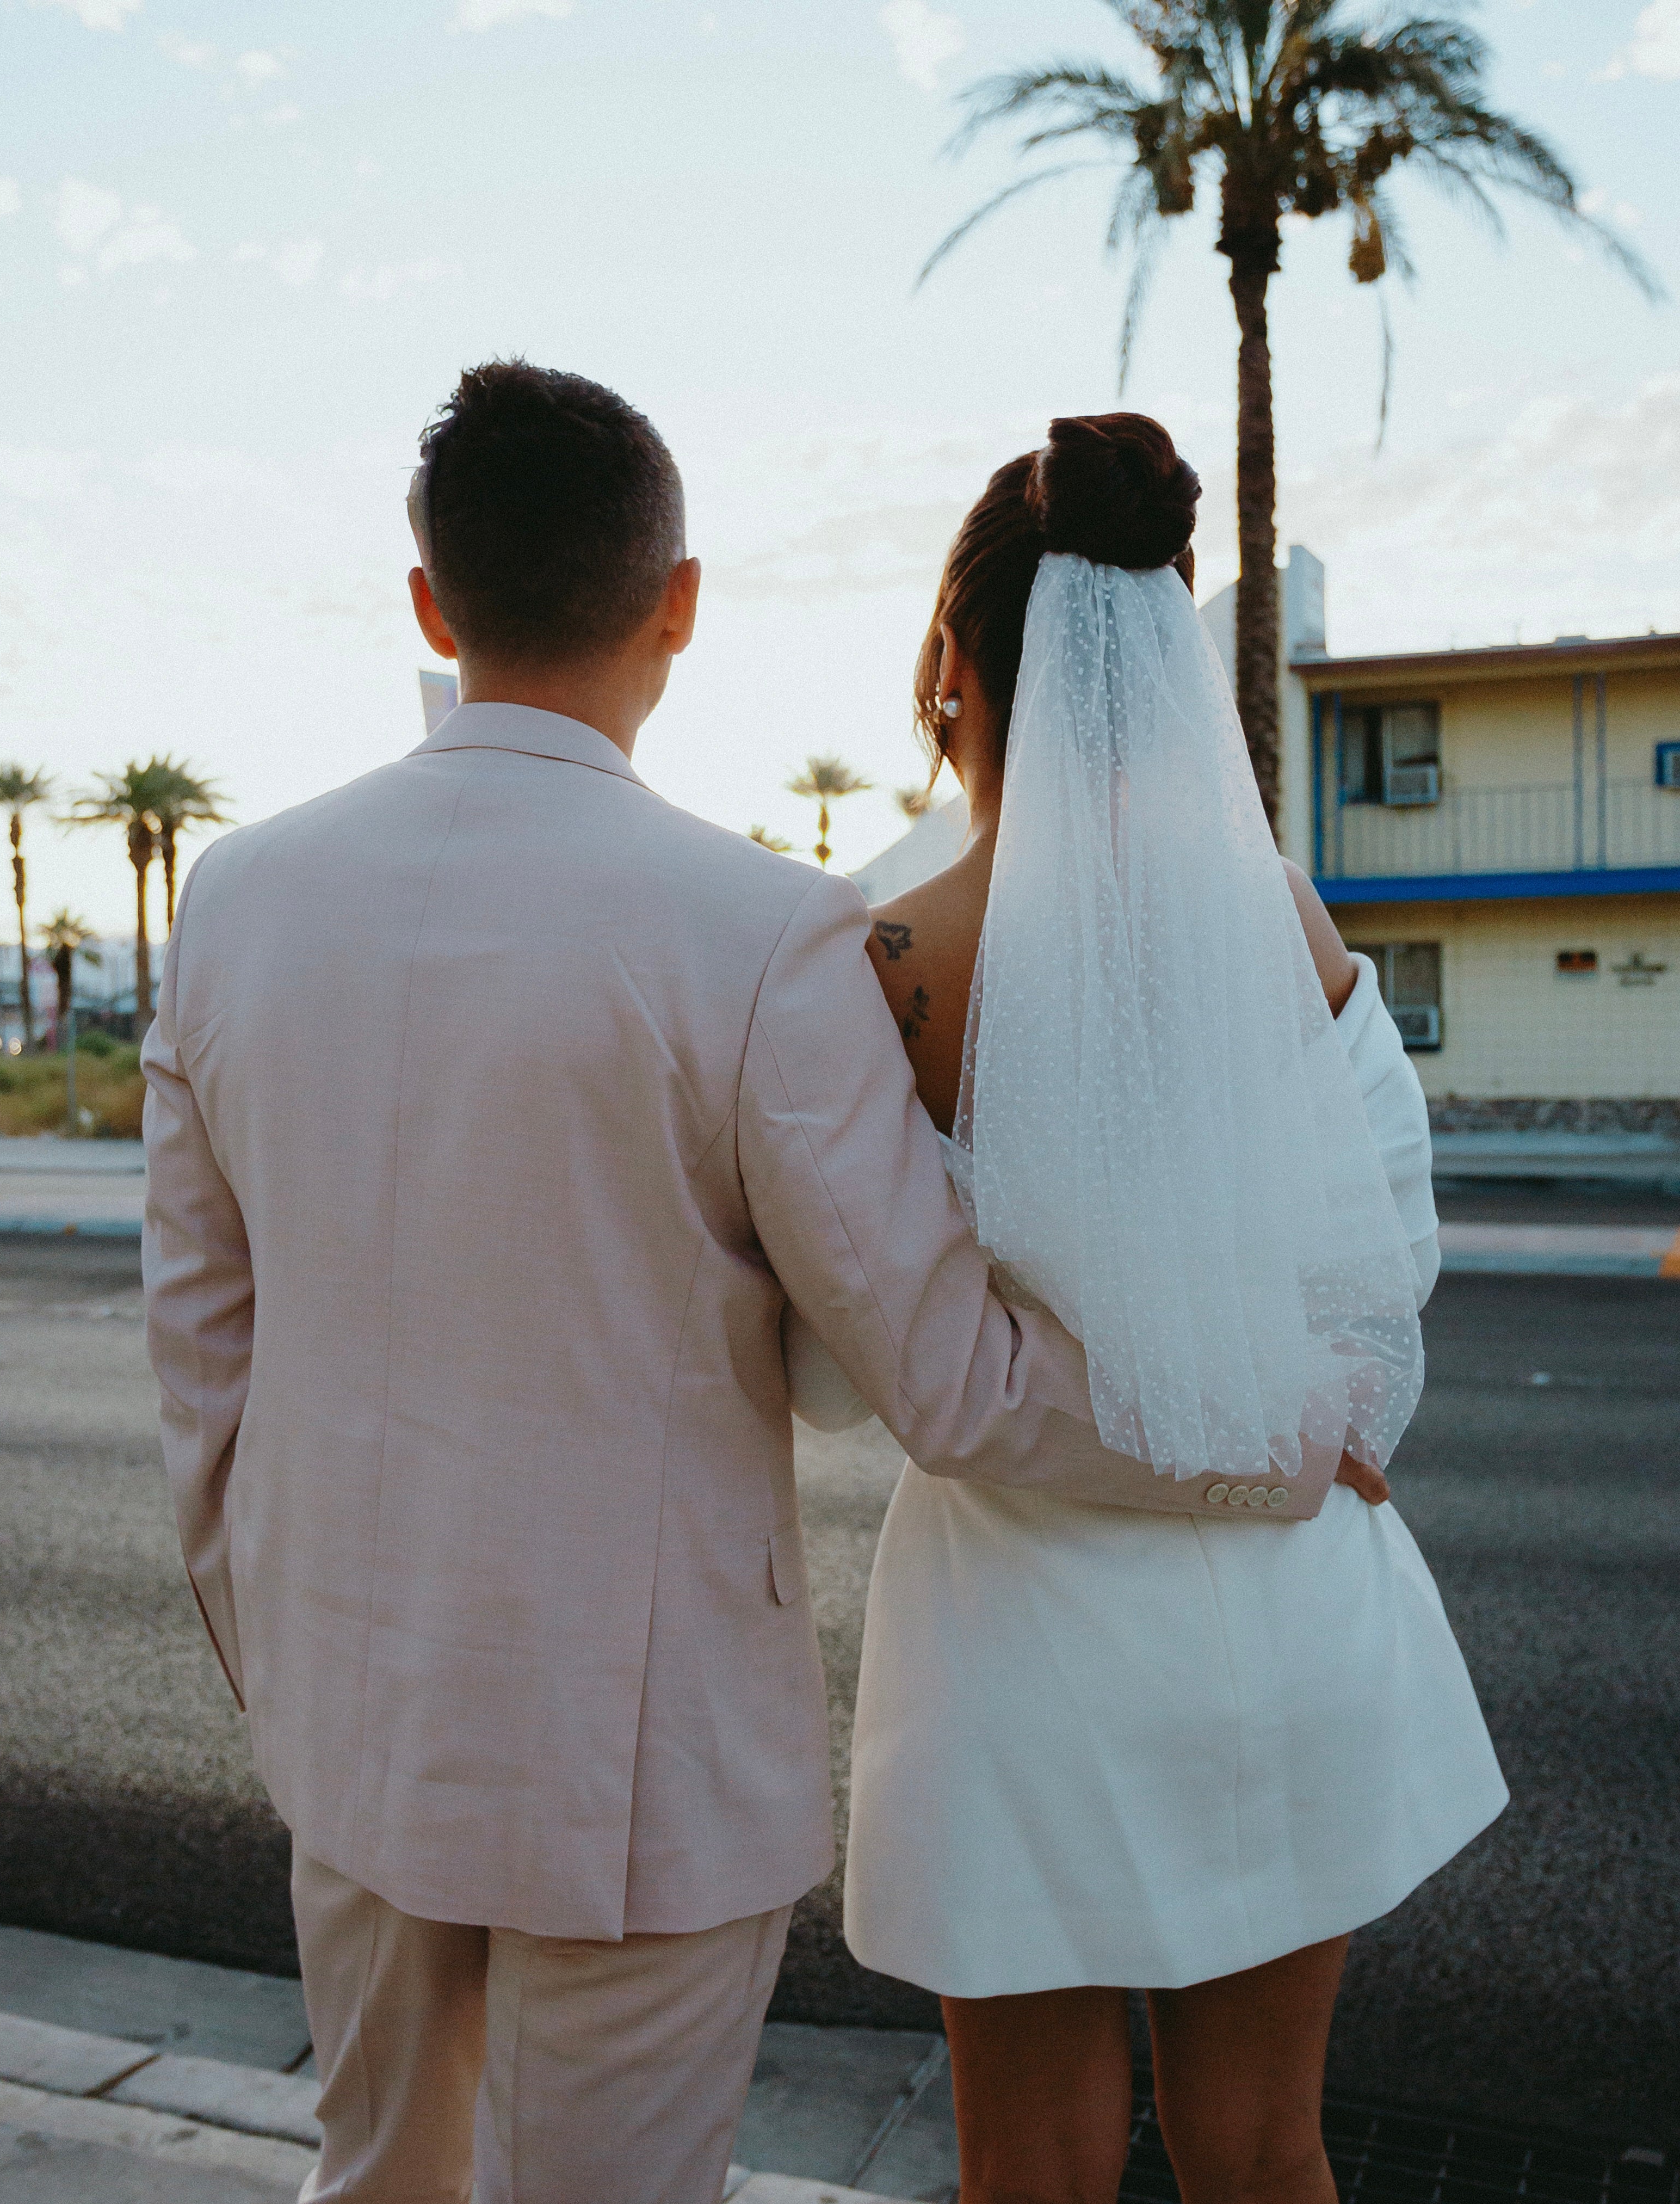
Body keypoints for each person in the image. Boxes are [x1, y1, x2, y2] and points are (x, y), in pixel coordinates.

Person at [141, 365, 1338, 2204]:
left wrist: (284, 1656)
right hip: (644, 1773)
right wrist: (1282, 1434)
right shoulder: (756, 929)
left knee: (372, 2174)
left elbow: (201, 1348)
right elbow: (949, 1375)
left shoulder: (236, 897)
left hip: (350, 1721)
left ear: (431, 601)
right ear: (678, 601)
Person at [787, 415, 1508, 2204]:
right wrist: (1296, 1421)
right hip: (1298, 1624)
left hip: (1031, 1652)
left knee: (1032, 2175)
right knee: (1267, 2150)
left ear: (953, 668)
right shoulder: (1286, 920)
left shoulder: (887, 969)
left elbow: (840, 1365)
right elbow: (1382, 1264)